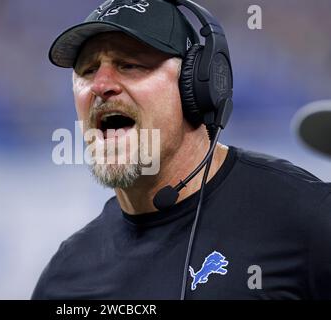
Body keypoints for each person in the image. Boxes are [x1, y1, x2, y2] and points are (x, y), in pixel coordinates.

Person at [32, 0, 331, 299]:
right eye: (87, 70)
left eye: (130, 65)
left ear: (197, 85)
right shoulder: (65, 278)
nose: (101, 85)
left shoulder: (306, 219)